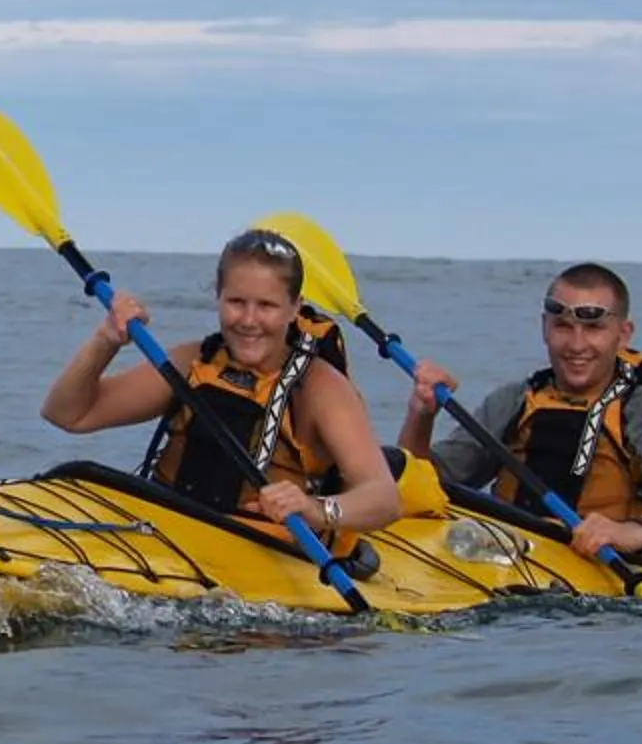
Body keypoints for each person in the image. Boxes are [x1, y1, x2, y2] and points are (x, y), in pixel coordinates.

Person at [41, 227, 403, 546]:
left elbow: (383, 498)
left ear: (295, 308)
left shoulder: (321, 388)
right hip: (170, 531)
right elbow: (68, 414)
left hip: (263, 549)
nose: (248, 320)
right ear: (218, 297)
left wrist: (315, 509)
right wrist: (105, 341)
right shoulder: (190, 363)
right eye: (236, 302)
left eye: (266, 306)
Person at [398, 263, 642, 561]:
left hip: (602, 567)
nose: (576, 344)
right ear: (544, 327)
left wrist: (631, 533)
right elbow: (420, 486)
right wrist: (421, 415)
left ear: (623, 334)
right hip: (505, 555)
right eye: (562, 327)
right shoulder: (513, 401)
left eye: (594, 328)